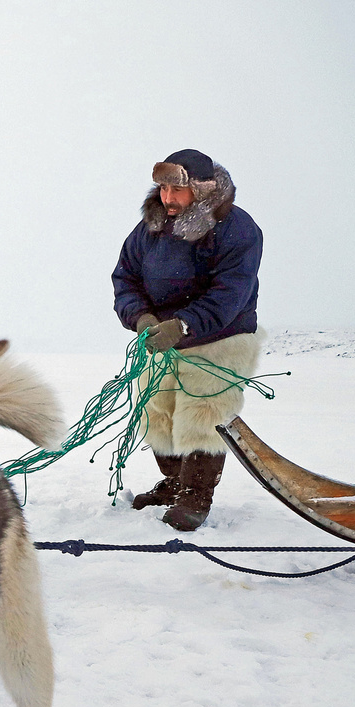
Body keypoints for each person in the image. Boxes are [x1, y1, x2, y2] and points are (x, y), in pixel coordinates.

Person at [112, 149, 264, 531]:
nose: (166, 198)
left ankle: (195, 496)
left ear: (201, 188)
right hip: (160, 338)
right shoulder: (150, 227)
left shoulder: (238, 229)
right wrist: (142, 317)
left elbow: (230, 293)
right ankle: (175, 484)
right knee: (157, 412)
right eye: (161, 188)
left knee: (203, 415)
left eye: (175, 189)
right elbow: (125, 278)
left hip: (219, 337)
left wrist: (183, 324)